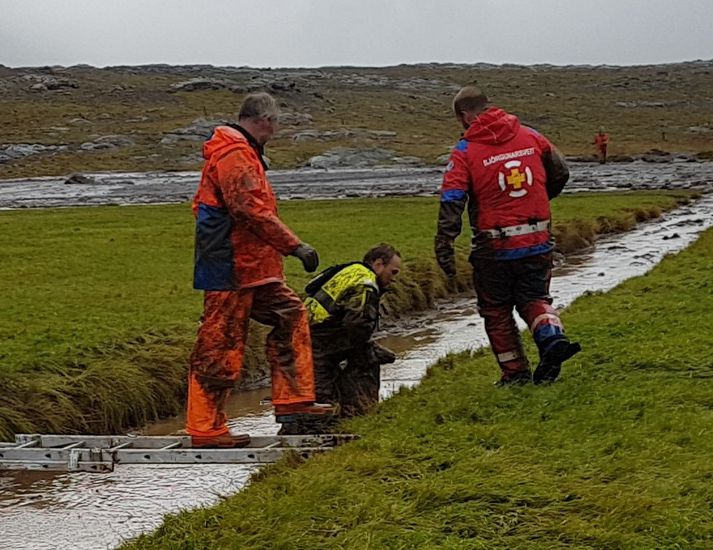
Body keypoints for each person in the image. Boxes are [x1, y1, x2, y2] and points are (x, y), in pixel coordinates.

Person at [187, 92, 333, 448]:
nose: (275, 131)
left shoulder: (243, 151)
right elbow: (248, 209)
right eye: (276, 124)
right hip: (230, 266)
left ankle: (294, 401)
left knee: (290, 314)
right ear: (266, 120)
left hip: (253, 266)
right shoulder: (234, 153)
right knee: (219, 343)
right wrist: (294, 246)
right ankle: (205, 428)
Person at [435, 86, 581, 386]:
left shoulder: (464, 151)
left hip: (494, 246)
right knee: (535, 298)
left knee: (496, 311)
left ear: (464, 116)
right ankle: (552, 338)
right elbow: (561, 172)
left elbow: (452, 199)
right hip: (537, 240)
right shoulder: (531, 136)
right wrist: (538, 200)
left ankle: (515, 374)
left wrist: (445, 246)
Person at [278, 244, 401, 434]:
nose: (394, 279)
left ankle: (298, 435)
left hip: (303, 334)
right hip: (316, 341)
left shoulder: (351, 270)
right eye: (393, 272)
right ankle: (317, 442)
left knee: (307, 395)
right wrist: (366, 351)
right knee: (322, 400)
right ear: (378, 264)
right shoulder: (366, 285)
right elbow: (357, 326)